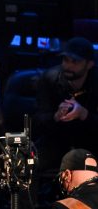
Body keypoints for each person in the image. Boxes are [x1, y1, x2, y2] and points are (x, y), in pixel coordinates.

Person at [34, 37, 98, 171]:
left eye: (75, 62)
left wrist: (83, 114)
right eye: (66, 60)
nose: (68, 66)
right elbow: (38, 120)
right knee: (29, 165)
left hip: (90, 141)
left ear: (90, 64)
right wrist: (55, 116)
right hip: (56, 140)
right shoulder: (49, 78)